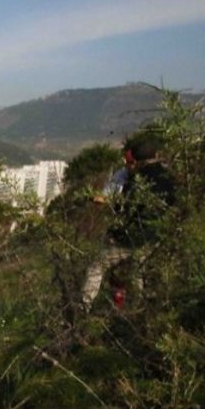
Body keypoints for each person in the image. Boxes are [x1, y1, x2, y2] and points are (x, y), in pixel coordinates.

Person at [82, 132, 174, 309]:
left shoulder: (138, 181)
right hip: (156, 235)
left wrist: (116, 232)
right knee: (139, 271)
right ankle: (141, 308)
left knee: (98, 266)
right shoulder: (166, 177)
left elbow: (129, 210)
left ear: (137, 162)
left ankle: (83, 307)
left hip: (131, 236)